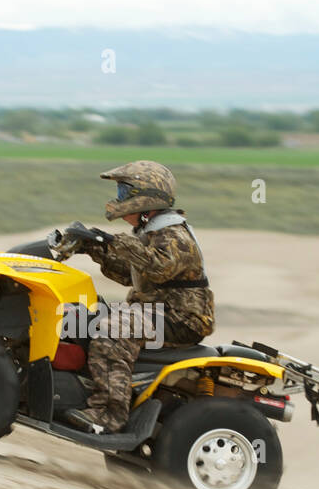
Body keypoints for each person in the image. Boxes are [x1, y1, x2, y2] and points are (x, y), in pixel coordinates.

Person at [60, 160, 214, 434]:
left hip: (181, 320)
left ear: (146, 198)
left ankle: (109, 414)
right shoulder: (150, 233)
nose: (118, 199)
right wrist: (92, 247)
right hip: (155, 313)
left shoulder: (174, 234)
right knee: (78, 317)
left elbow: (158, 266)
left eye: (123, 192)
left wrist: (110, 242)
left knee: (112, 331)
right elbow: (130, 274)